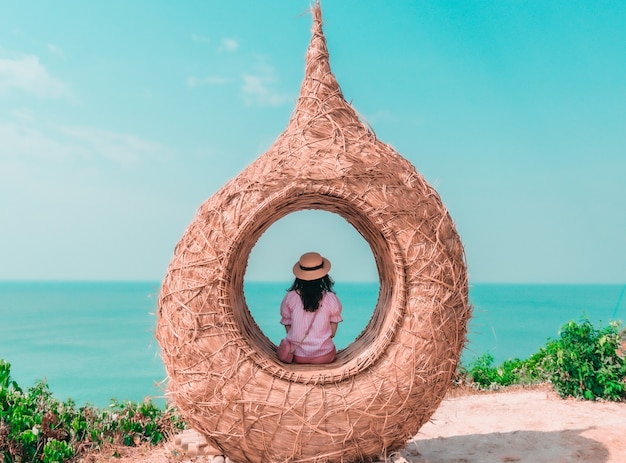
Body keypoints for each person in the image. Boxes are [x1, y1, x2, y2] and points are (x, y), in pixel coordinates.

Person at [280, 252, 343, 364]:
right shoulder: (331, 298)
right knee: (331, 349)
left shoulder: (290, 297)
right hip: (324, 356)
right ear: (324, 276)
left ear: (299, 277)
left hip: (297, 356)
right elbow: (332, 333)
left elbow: (289, 329)